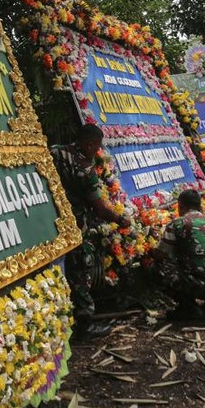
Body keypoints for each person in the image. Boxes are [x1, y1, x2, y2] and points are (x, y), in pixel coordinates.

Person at [50, 124, 131, 340]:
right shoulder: (85, 169)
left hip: (51, 221)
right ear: (87, 144)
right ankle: (83, 324)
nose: (96, 152)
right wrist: (120, 219)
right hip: (76, 225)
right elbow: (100, 208)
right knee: (80, 271)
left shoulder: (56, 151)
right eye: (95, 147)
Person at [152, 190, 205, 320]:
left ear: (180, 206)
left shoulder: (177, 224)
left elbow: (160, 255)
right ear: (200, 205)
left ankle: (188, 308)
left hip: (204, 286)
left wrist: (151, 250)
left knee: (159, 267)